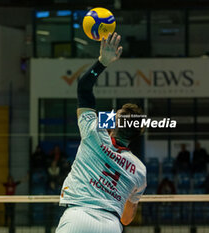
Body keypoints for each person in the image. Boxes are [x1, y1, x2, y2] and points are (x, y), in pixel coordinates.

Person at [56, 33, 147, 233]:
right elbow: (126, 219)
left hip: (77, 218)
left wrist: (102, 62)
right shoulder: (140, 170)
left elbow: (84, 88)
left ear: (114, 123)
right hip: (111, 225)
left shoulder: (93, 132)